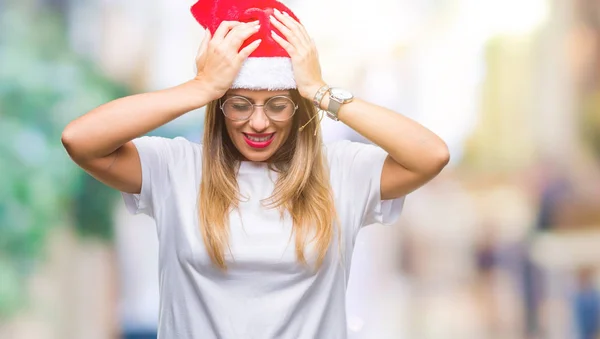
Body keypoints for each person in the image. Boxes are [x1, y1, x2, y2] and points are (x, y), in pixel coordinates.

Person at [61, 0, 449, 338]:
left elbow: (430, 155)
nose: (259, 123)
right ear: (220, 107)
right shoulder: (175, 168)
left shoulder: (341, 172)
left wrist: (320, 91)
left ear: (298, 109)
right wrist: (199, 87)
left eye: (277, 104)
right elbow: (81, 140)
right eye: (240, 104)